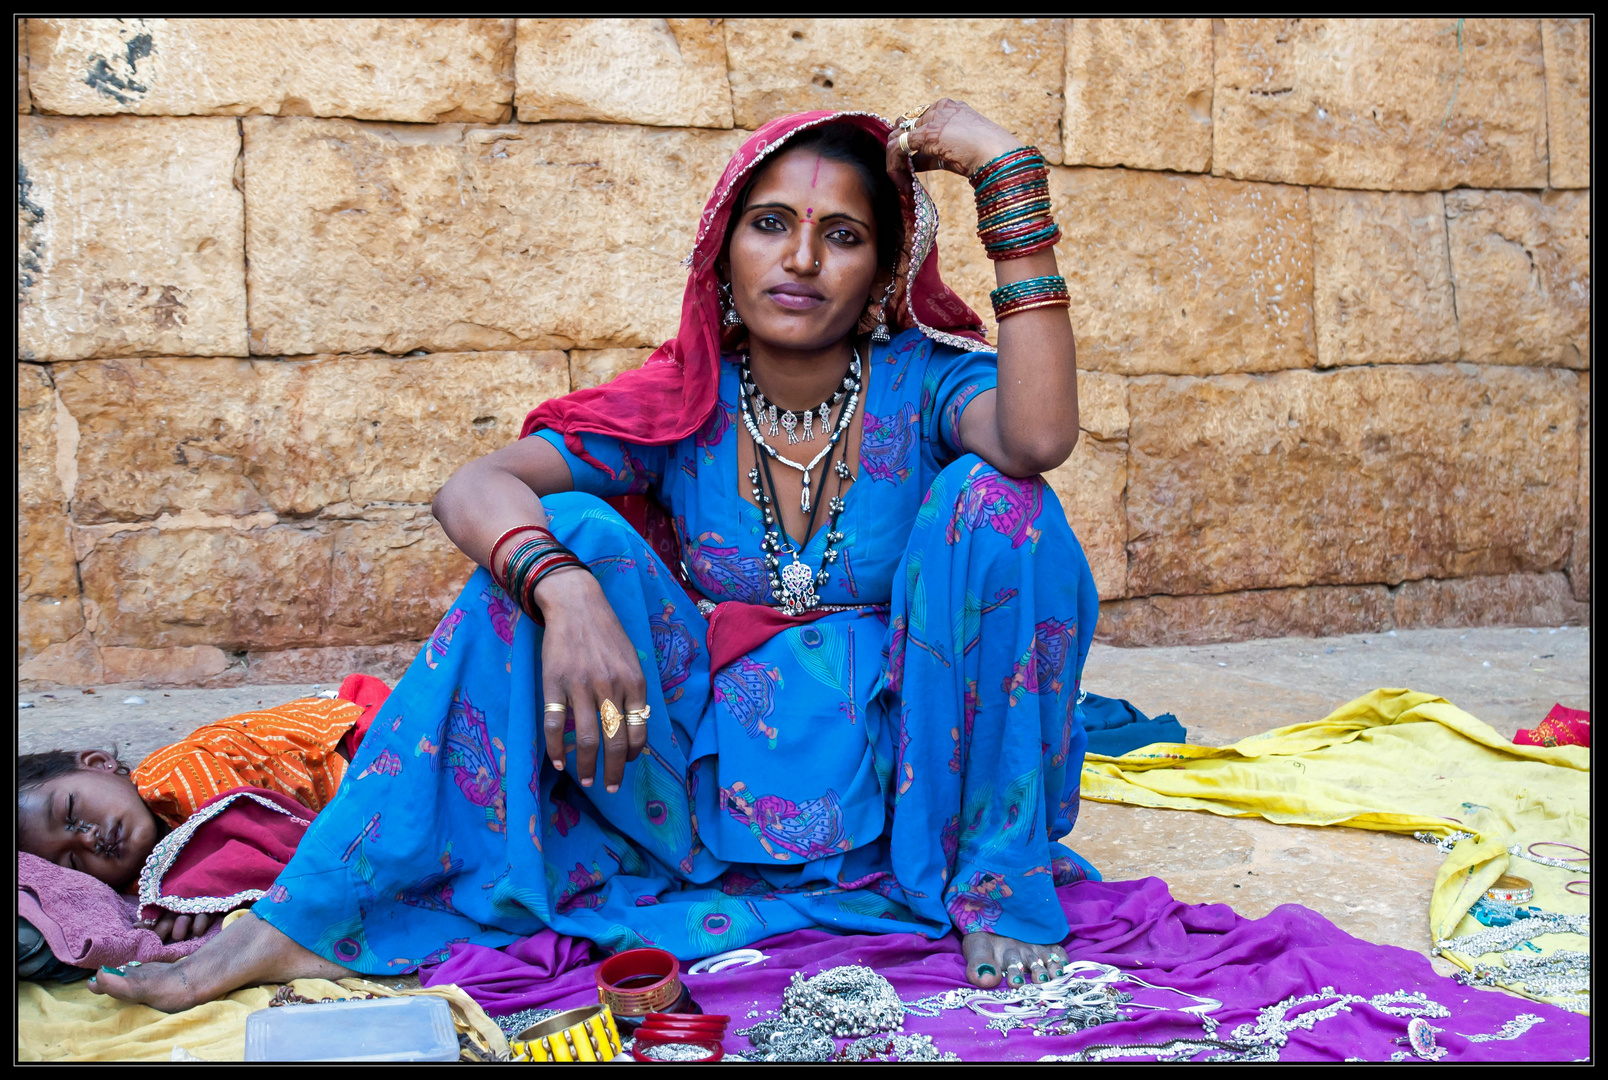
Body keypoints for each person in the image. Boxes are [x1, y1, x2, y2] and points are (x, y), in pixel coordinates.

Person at [90, 101, 1101, 1013]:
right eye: (769, 225)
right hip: (699, 788)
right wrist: (567, 592)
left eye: (841, 236)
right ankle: (302, 921)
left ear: (882, 278)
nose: (799, 260)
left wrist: (1007, 178)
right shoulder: (684, 399)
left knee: (1002, 504)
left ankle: (995, 879)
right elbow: (473, 486)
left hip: (909, 791)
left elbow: (1038, 436)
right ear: (722, 255)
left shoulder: (926, 386)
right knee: (559, 538)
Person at [17, 684, 383, 942]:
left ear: (98, 763)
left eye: (70, 812)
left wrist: (199, 886)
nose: (87, 839)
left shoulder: (170, 773)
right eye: (73, 863)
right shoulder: (141, 882)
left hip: (365, 740)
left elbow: (245, 819)